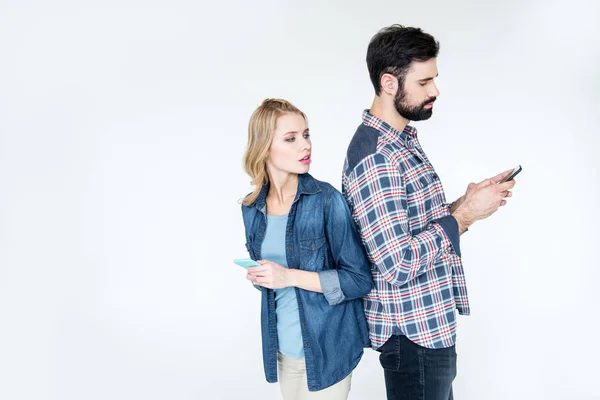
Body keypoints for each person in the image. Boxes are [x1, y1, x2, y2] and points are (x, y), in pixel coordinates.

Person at [341, 25, 517, 400]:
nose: (435, 90)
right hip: (412, 338)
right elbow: (396, 263)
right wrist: (464, 216)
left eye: (434, 79)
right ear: (389, 83)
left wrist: (466, 204)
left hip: (429, 329)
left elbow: (415, 227)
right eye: (424, 82)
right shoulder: (377, 158)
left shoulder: (400, 142)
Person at [240, 98, 373, 399]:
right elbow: (275, 284)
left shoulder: (327, 200)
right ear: (264, 147)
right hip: (282, 350)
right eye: (291, 138)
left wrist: (288, 276)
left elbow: (359, 279)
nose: (305, 145)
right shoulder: (251, 208)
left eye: (306, 134)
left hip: (327, 349)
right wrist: (263, 278)